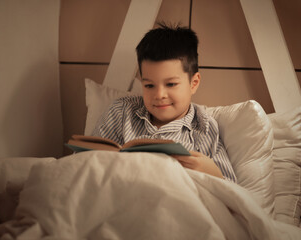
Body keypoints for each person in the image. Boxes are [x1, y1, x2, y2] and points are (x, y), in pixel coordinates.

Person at [92, 23, 236, 182]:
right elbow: (84, 163)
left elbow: (231, 191)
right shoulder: (121, 112)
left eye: (171, 84)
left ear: (193, 83)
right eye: (149, 86)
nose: (159, 95)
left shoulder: (204, 127)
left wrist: (212, 172)